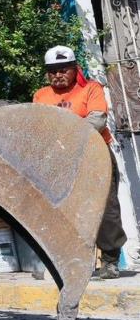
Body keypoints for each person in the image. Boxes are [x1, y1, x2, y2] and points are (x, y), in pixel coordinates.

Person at [33, 45, 126, 279]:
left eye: (63, 69)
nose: (58, 75)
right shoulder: (41, 95)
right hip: (61, 160)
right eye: (52, 71)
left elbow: (97, 121)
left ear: (75, 69)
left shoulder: (91, 89)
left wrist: (61, 134)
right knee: (66, 211)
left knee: (106, 209)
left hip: (94, 155)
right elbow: (37, 127)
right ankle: (72, 264)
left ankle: (110, 263)